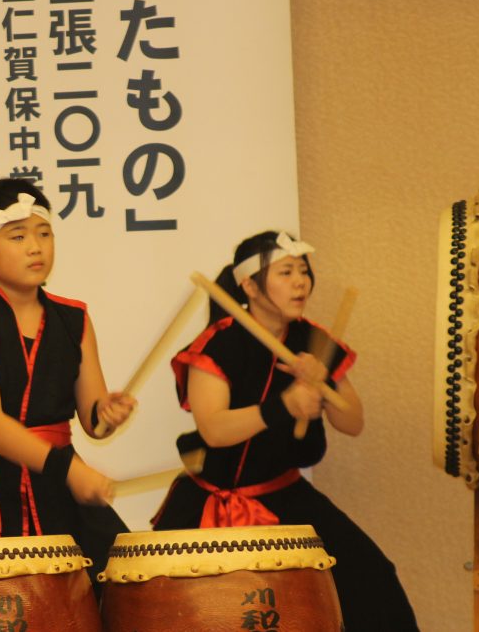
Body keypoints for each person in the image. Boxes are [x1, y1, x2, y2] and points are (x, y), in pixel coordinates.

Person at [152, 230, 417, 631]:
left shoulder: (311, 340)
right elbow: (214, 430)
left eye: (304, 272)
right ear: (249, 285)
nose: (300, 282)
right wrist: (284, 405)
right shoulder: (217, 344)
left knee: (371, 579)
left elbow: (353, 422)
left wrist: (324, 383)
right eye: (286, 271)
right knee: (192, 611)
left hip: (284, 494)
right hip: (212, 503)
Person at [0, 178, 136, 579]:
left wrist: (107, 412)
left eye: (44, 233)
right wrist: (70, 470)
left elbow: (92, 422)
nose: (36, 247)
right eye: (18, 237)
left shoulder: (74, 319)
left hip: (55, 489)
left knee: (111, 596)